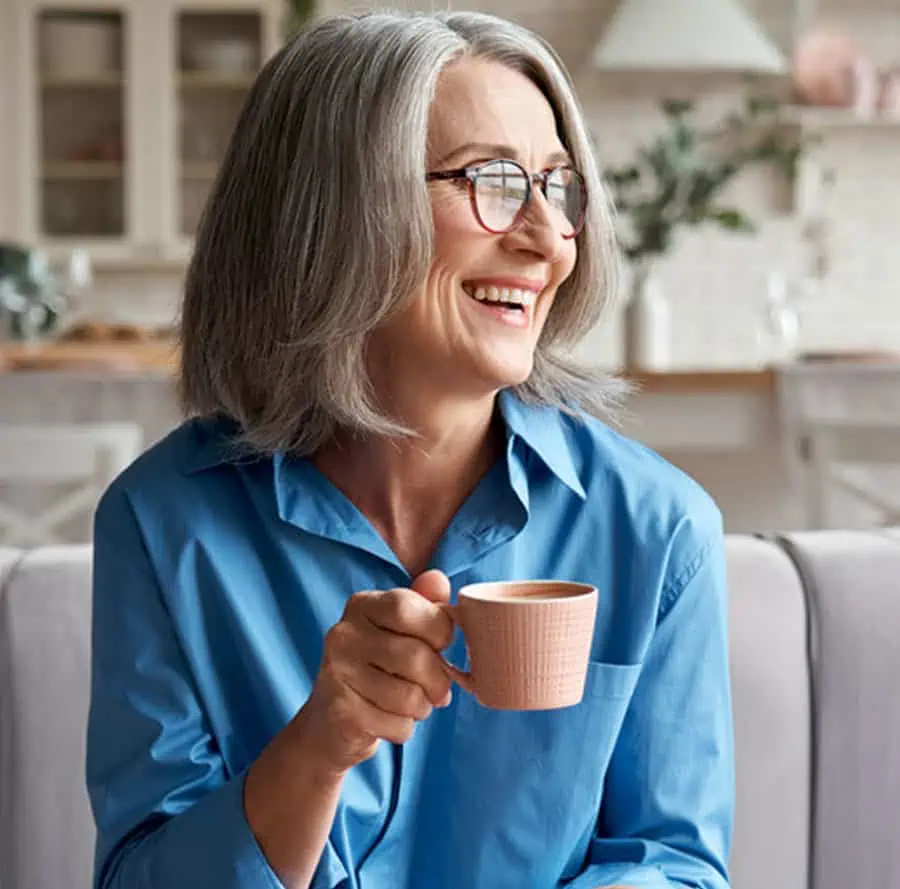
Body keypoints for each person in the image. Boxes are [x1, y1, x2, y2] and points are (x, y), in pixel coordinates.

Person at [85, 10, 734, 889]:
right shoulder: (164, 525)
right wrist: (317, 748)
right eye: (493, 181)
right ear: (331, 210)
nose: (548, 240)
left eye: (560, 187)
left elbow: (675, 865)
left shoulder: (658, 532)